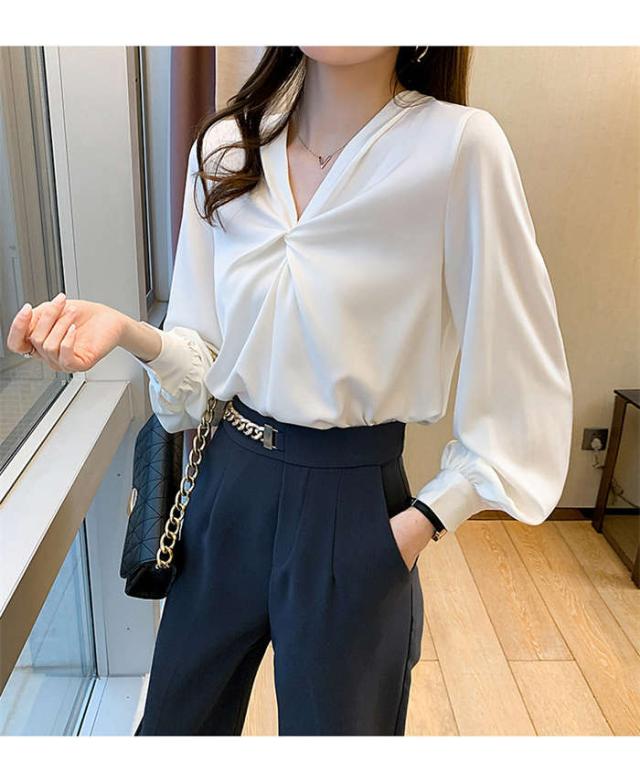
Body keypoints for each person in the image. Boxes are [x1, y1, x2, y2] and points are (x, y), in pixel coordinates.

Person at [6, 46, 573, 736]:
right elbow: (203, 367)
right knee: (175, 730)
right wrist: (131, 333)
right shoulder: (227, 145)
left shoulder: (459, 149)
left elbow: (520, 373)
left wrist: (419, 523)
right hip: (227, 486)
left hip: (352, 504)